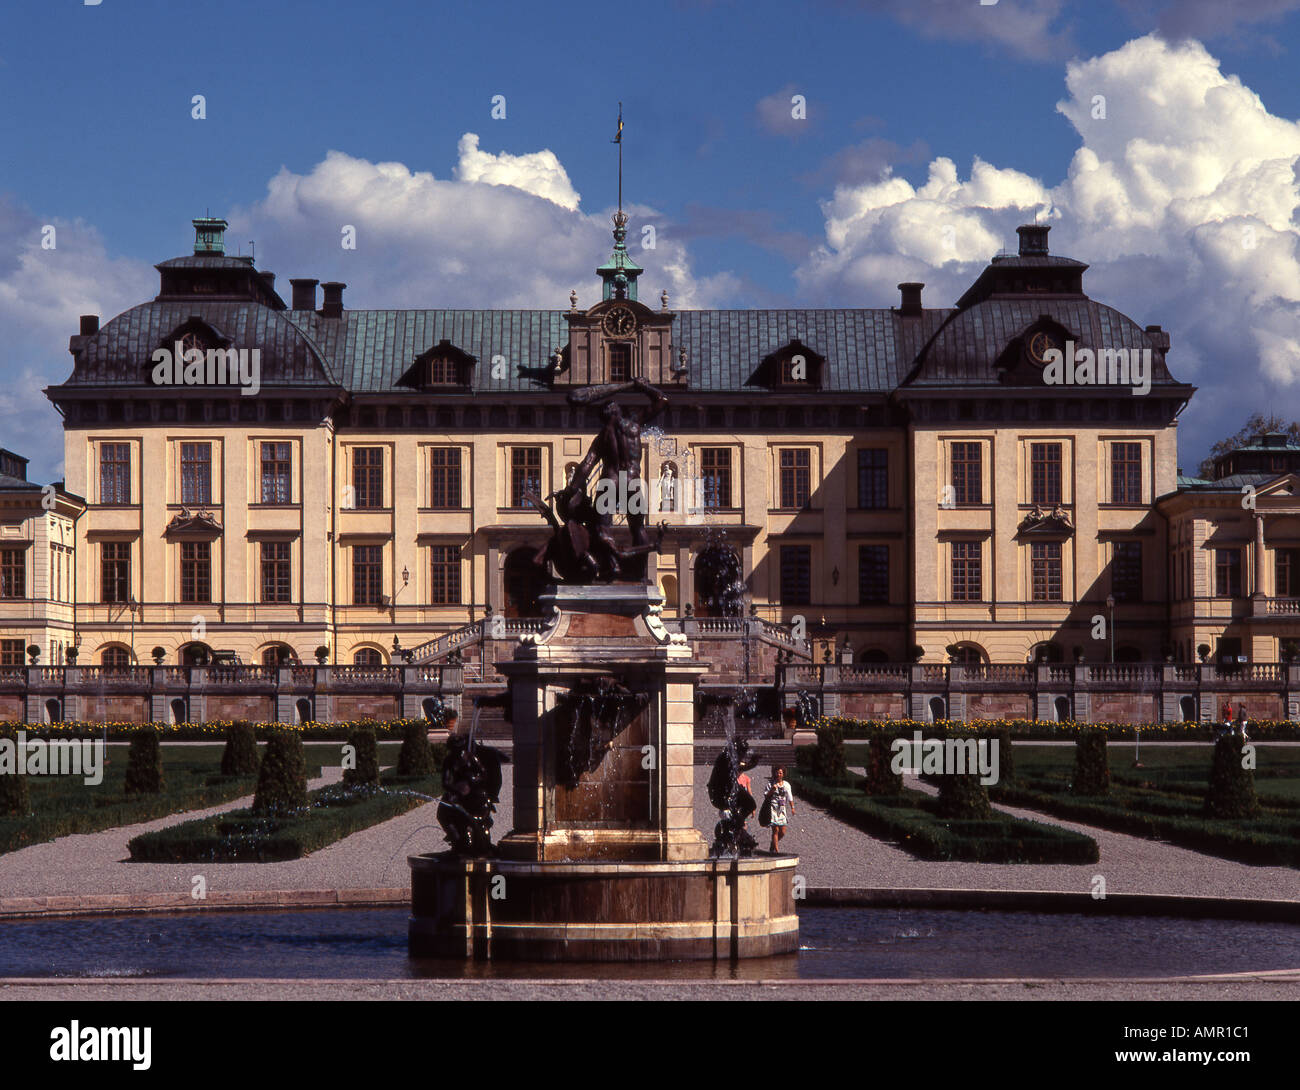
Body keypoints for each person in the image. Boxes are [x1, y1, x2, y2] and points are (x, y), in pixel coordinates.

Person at [765, 766, 795, 854]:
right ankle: (776, 851)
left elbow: (790, 797)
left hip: (782, 809)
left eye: (780, 773)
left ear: (783, 774)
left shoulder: (786, 785)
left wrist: (792, 807)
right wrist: (772, 790)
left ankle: (773, 844)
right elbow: (766, 796)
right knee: (775, 830)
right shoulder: (771, 784)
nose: (779, 774)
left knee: (782, 832)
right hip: (773, 808)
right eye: (777, 772)